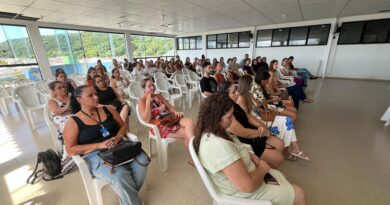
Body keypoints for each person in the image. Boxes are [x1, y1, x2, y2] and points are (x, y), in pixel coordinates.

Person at [194, 93, 306, 205]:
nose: (233, 119)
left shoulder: (214, 131)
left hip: (248, 174)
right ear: (216, 118)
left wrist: (252, 156)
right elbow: (247, 187)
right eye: (229, 117)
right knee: (299, 193)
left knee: (282, 177)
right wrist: (262, 168)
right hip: (244, 194)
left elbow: (236, 148)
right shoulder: (219, 146)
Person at [64, 85, 148, 205]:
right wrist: (99, 145)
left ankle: (126, 199)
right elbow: (70, 150)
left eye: (96, 94)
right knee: (119, 175)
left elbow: (123, 125)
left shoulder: (108, 109)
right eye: (90, 95)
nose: (96, 97)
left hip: (119, 146)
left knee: (143, 161)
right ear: (79, 99)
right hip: (94, 155)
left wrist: (118, 136)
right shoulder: (73, 121)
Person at [217, 81, 285, 168]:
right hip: (246, 141)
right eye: (233, 92)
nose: (237, 93)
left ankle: (268, 166)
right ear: (224, 96)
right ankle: (266, 171)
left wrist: (261, 126)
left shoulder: (233, 104)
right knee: (279, 158)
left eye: (236, 90)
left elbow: (247, 116)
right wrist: (261, 133)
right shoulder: (225, 113)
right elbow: (243, 133)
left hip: (254, 133)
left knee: (280, 144)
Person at [138, 78, 194, 164]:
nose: (153, 87)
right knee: (188, 132)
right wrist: (151, 104)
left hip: (170, 118)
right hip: (159, 126)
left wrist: (176, 112)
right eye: (149, 86)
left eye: (153, 85)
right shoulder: (142, 101)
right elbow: (146, 119)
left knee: (190, 122)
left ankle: (194, 153)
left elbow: (170, 107)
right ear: (144, 89)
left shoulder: (158, 96)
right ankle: (194, 156)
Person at [47, 81, 75, 172]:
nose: (64, 89)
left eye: (65, 86)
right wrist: (70, 107)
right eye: (59, 88)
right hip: (65, 125)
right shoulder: (52, 101)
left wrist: (65, 109)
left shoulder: (71, 96)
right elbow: (57, 112)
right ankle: (67, 161)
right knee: (72, 134)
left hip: (76, 119)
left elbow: (78, 107)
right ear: (54, 90)